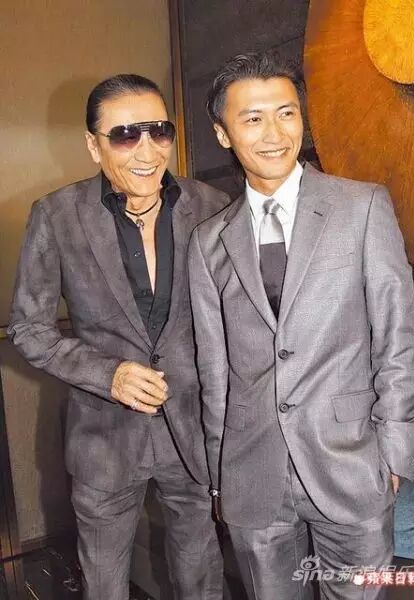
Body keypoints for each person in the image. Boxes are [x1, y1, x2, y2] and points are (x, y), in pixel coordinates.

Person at [188, 52, 414, 600]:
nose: (274, 134)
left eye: (287, 113)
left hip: (353, 466)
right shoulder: (208, 241)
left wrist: (395, 450)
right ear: (223, 134)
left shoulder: (362, 207)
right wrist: (221, 476)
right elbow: (214, 374)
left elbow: (398, 340)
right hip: (252, 477)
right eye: (252, 119)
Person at [8, 74, 230, 600]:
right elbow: (29, 328)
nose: (148, 151)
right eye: (126, 135)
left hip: (193, 432)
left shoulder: (214, 206)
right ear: (94, 144)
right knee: (104, 582)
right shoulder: (56, 215)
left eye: (159, 131)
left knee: (201, 575)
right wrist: (107, 375)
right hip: (102, 440)